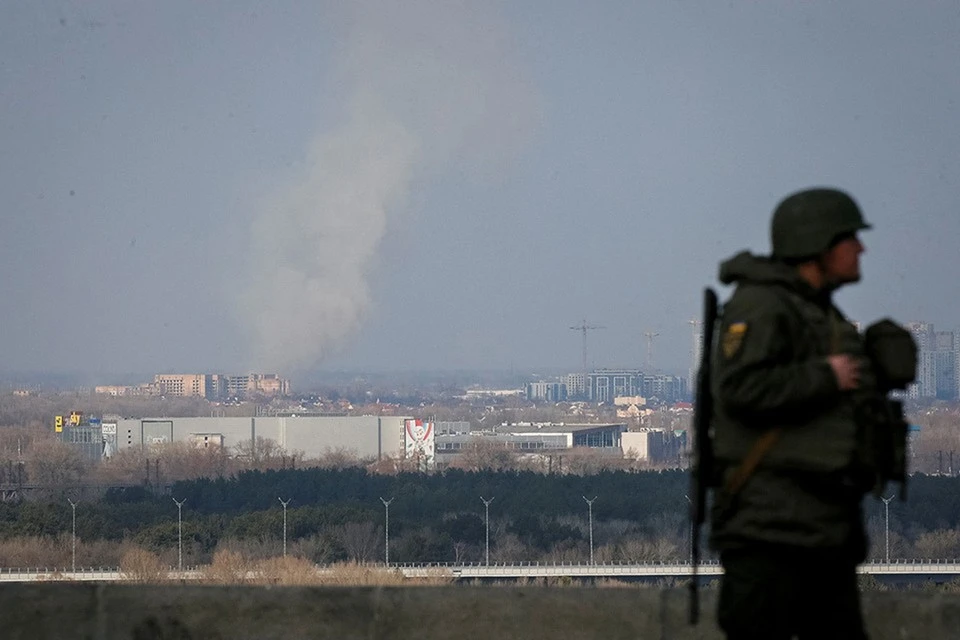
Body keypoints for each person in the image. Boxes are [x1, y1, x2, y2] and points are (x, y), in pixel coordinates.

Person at [709, 187, 893, 639]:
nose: (861, 248)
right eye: (850, 238)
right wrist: (825, 377)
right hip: (770, 530)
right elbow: (739, 387)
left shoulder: (813, 310)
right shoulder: (763, 305)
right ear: (818, 245)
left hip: (818, 526)